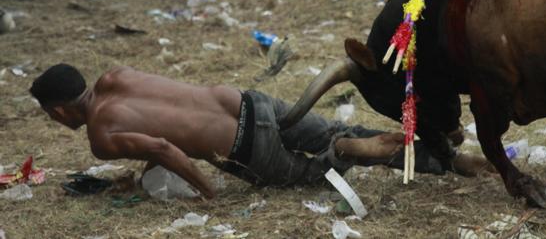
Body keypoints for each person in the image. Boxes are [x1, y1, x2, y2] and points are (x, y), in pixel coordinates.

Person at [30, 64, 492, 198]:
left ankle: (346, 152)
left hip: (243, 147)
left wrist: (210, 192)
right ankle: (447, 157)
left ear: (57, 111)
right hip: (248, 102)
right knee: (333, 125)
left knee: (311, 173)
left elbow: (164, 146)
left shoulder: (100, 136)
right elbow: (160, 121)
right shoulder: (114, 78)